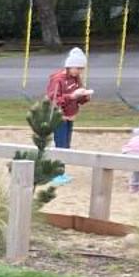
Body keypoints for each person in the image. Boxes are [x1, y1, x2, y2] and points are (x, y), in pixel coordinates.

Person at [44, 47, 93, 182]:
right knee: (60, 144)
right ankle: (56, 173)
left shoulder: (76, 78)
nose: (79, 71)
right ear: (69, 65)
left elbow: (78, 99)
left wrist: (84, 96)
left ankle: (61, 172)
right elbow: (53, 99)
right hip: (59, 116)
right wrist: (71, 96)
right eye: (77, 68)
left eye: (81, 69)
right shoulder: (58, 79)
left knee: (66, 144)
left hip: (70, 115)